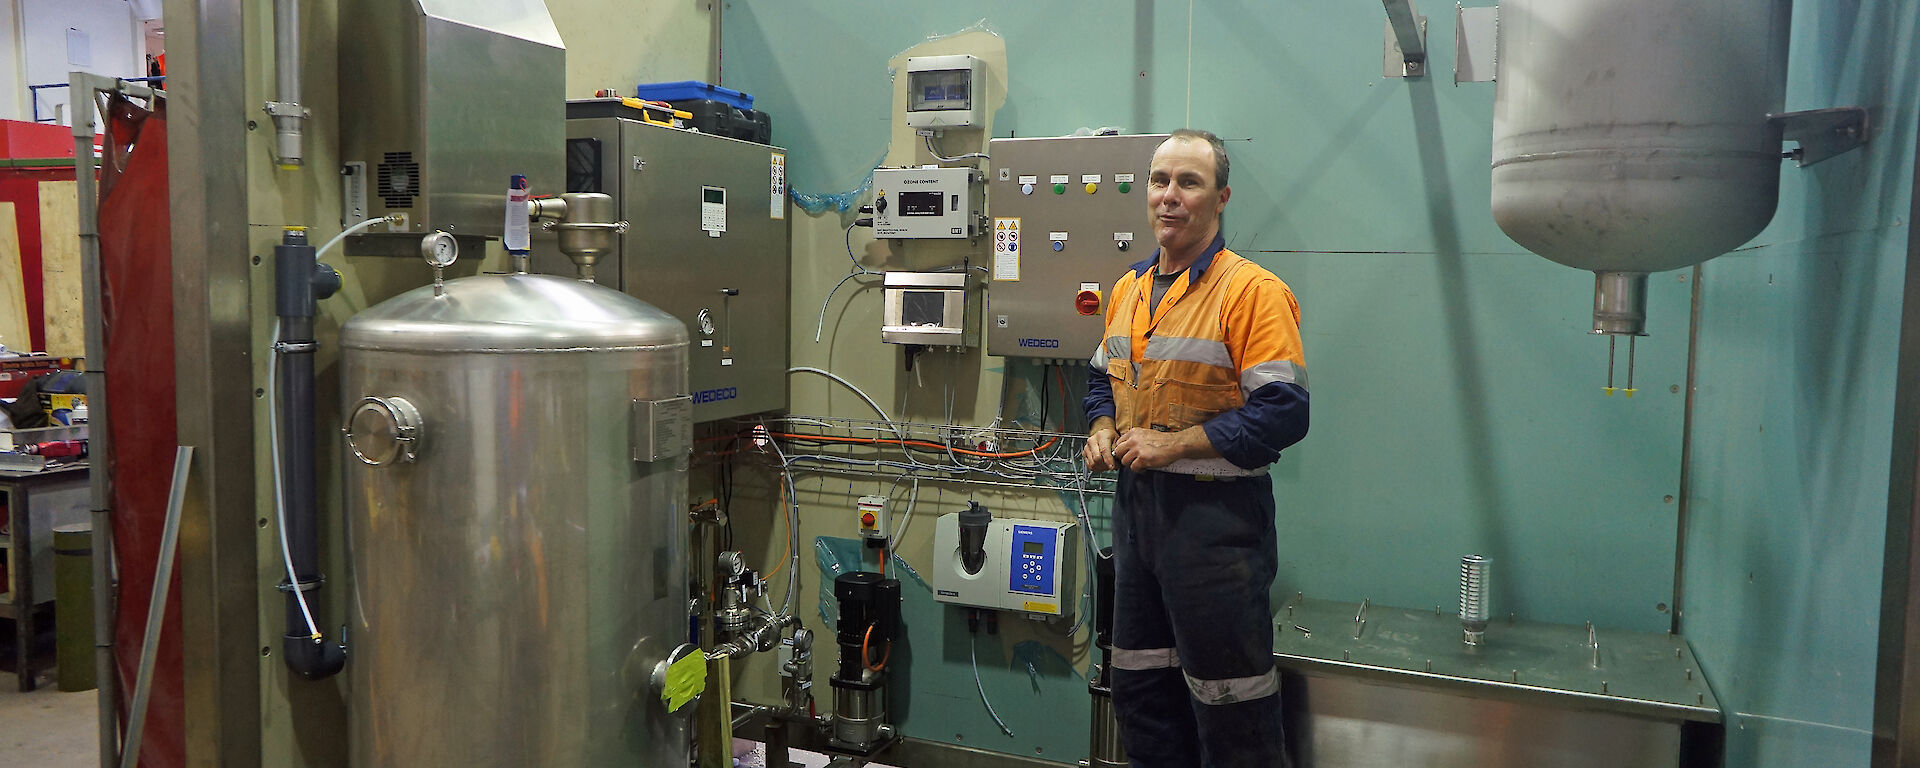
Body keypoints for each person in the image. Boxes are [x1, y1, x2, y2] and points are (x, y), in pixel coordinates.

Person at [1081, 129, 1309, 767]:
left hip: (1216, 527)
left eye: (1189, 183)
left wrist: (1171, 445)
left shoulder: (1251, 293)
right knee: (1141, 688)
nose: (1169, 197)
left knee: (1230, 703)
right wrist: (1102, 429)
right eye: (1160, 181)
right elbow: (1101, 378)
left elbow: (1285, 412)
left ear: (1221, 198)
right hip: (1137, 521)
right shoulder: (1127, 291)